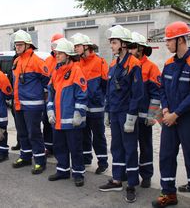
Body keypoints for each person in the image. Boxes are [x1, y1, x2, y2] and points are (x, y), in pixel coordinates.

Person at [99, 25, 143, 203]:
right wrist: (108, 111)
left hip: (126, 113)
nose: (111, 45)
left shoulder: (134, 64)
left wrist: (131, 117)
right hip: (115, 112)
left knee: (130, 148)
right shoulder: (113, 64)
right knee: (116, 147)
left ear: (123, 44)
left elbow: (137, 93)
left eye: (114, 42)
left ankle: (131, 184)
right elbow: (110, 91)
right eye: (111, 42)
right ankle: (117, 180)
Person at [152, 21, 190, 208]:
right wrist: (166, 109)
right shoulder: (168, 64)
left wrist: (176, 113)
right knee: (166, 155)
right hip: (169, 118)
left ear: (180, 39)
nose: (166, 44)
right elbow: (162, 89)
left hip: (186, 118)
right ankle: (168, 193)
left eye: (169, 40)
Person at [47, 38, 87, 187]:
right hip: (58, 120)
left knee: (75, 148)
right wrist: (50, 110)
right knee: (59, 146)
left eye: (60, 53)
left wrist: (78, 113)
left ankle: (78, 173)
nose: (57, 55)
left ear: (68, 55)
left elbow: (82, 94)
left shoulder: (76, 70)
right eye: (56, 53)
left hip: (72, 120)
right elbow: (51, 93)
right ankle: (63, 170)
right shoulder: (56, 71)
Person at [12, 30, 49, 174]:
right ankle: (25, 156)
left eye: (20, 45)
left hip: (33, 105)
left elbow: (47, 81)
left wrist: (44, 97)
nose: (17, 47)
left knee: (34, 133)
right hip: (19, 104)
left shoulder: (37, 61)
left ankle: (40, 161)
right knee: (22, 133)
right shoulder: (17, 60)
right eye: (16, 45)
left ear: (28, 45)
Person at [71, 33, 109, 174]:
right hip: (82, 107)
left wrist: (100, 99)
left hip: (96, 107)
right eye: (74, 46)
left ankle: (103, 162)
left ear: (86, 46)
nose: (75, 49)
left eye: (78, 46)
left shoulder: (100, 62)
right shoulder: (77, 63)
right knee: (84, 135)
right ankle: (86, 159)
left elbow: (106, 85)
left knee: (98, 136)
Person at [128, 32, 161, 188]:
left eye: (133, 47)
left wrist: (152, 115)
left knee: (146, 146)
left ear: (141, 48)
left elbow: (157, 94)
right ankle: (131, 173)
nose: (129, 50)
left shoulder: (151, 67)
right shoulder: (126, 65)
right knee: (129, 146)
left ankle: (146, 175)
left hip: (144, 117)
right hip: (129, 116)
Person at [43, 33, 64, 156]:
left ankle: (59, 148)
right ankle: (49, 147)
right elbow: (43, 79)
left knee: (60, 124)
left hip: (62, 97)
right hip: (49, 96)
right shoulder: (48, 61)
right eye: (53, 45)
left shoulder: (66, 59)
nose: (55, 48)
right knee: (47, 122)